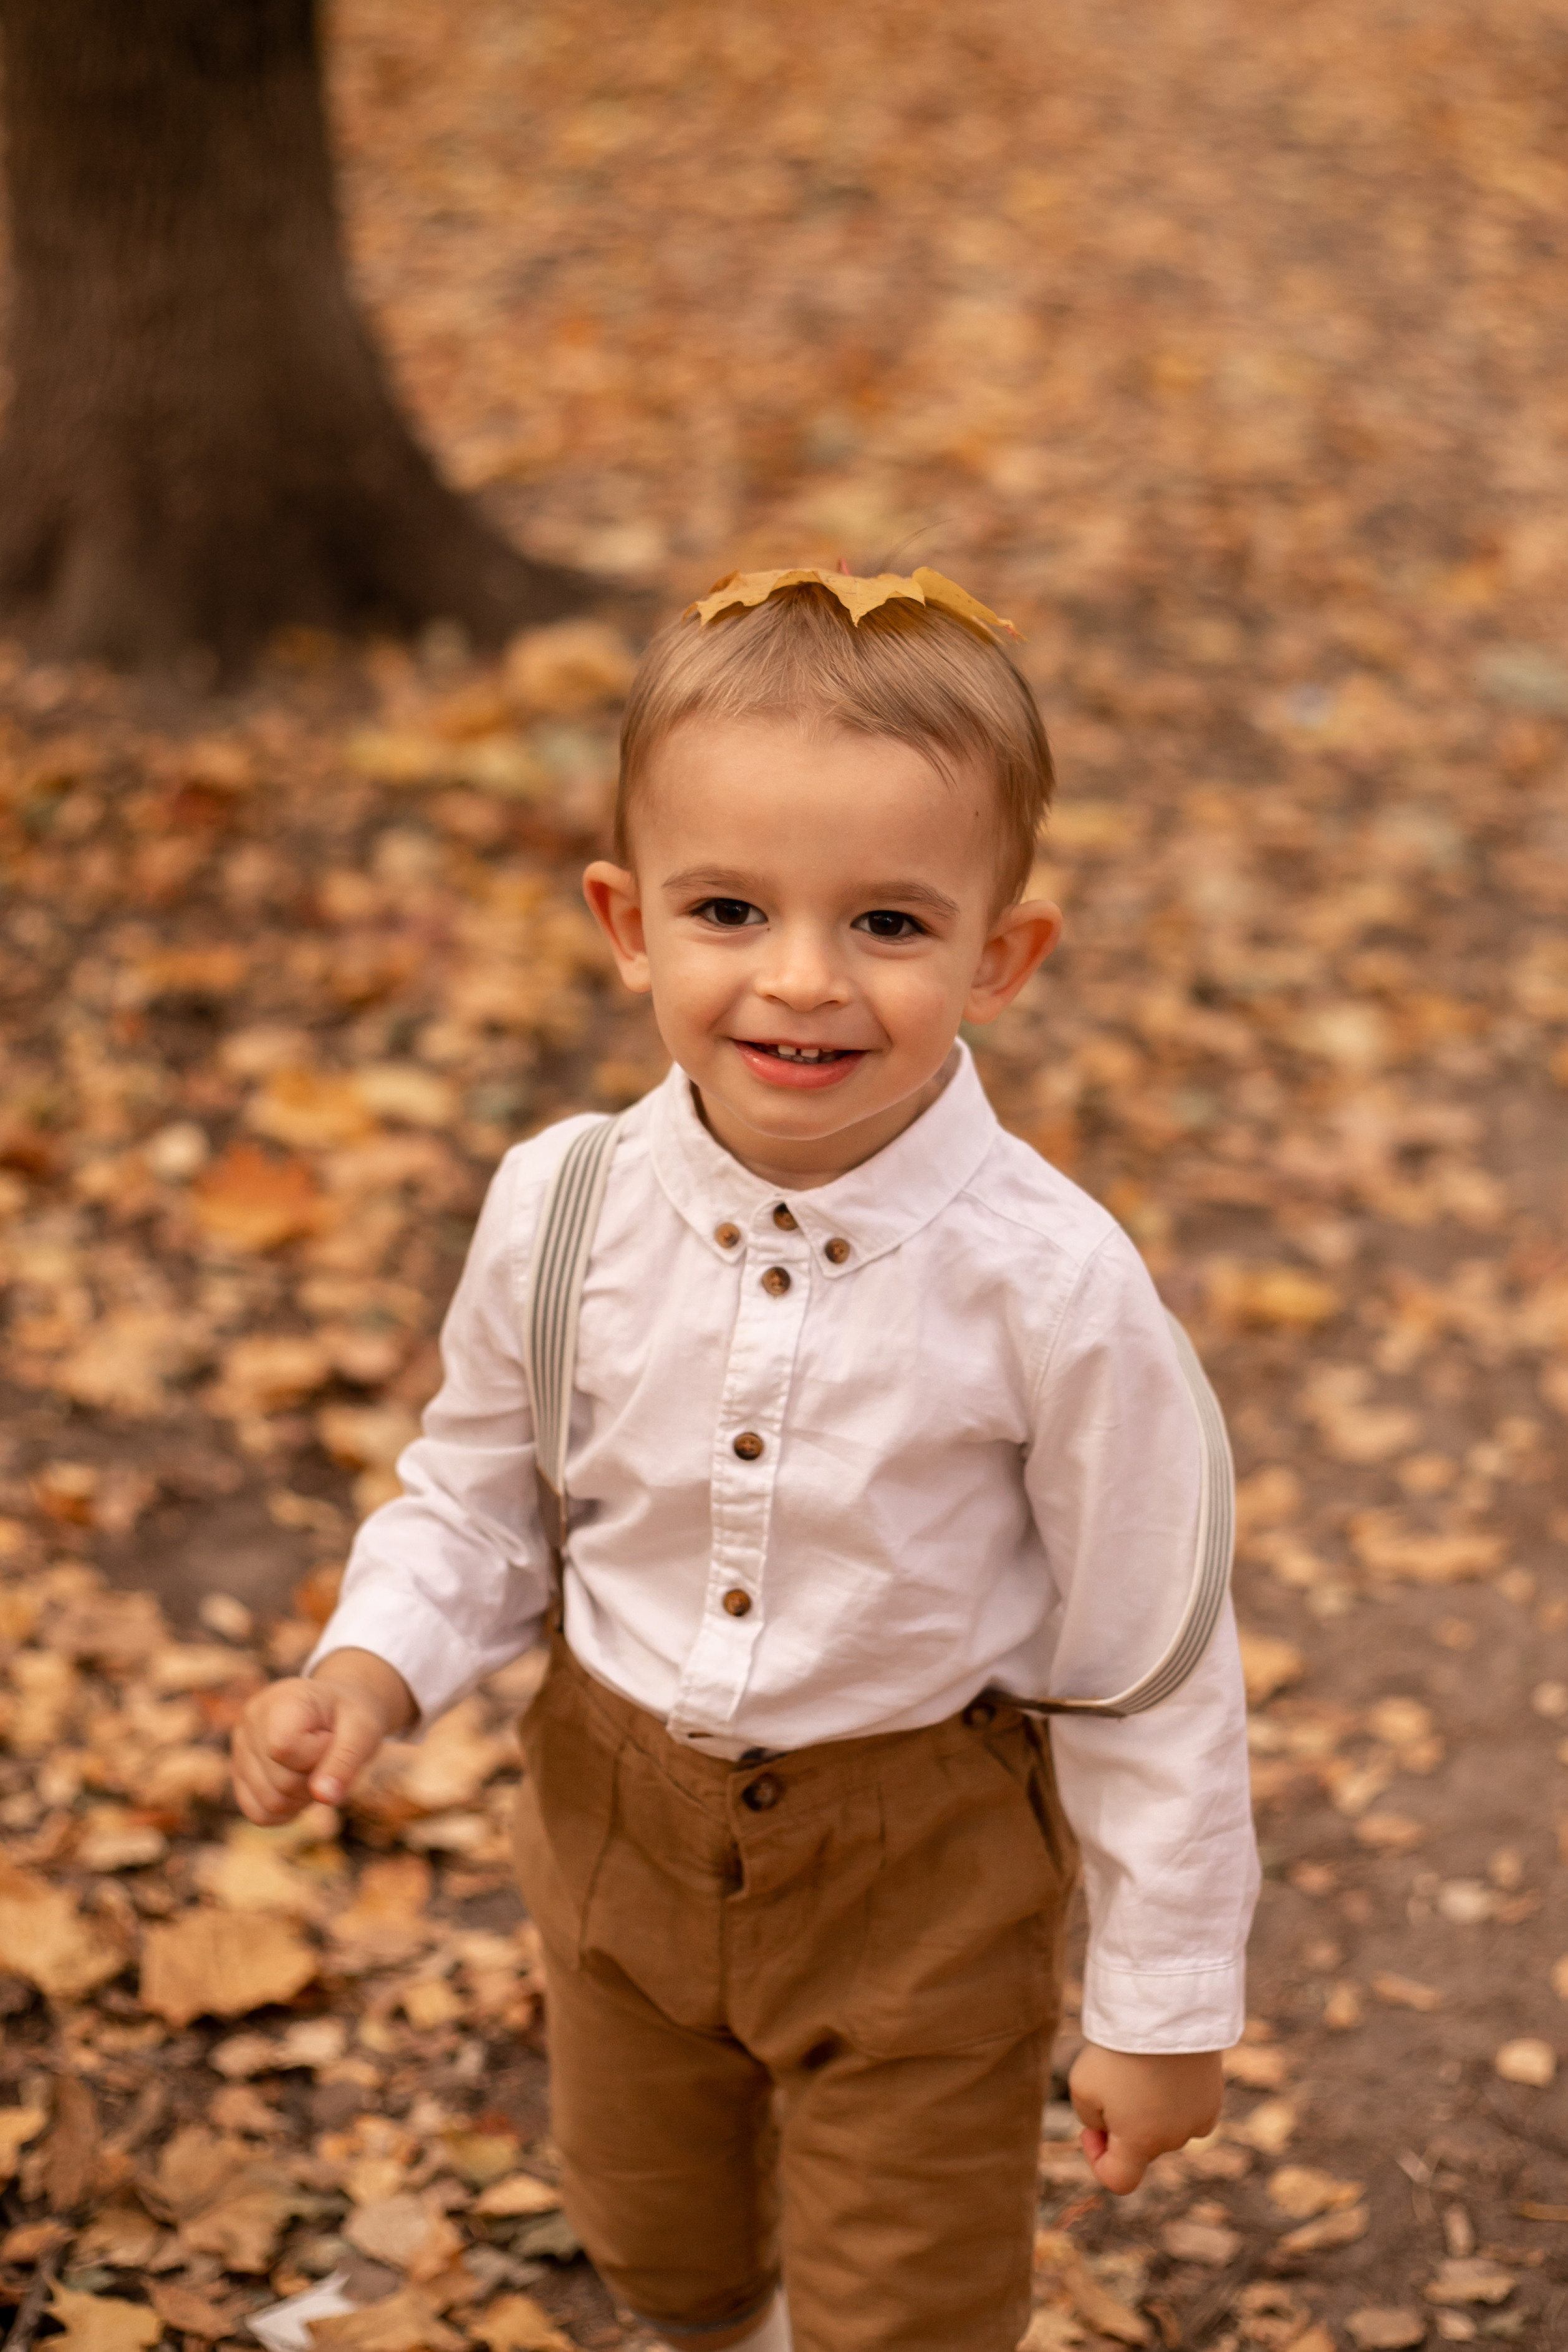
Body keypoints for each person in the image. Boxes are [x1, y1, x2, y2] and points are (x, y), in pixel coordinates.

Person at [232, 566, 1259, 2352]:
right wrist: (373, 1659)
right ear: (627, 921)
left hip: (919, 1870)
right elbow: (481, 1487)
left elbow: (1146, 1653)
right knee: (667, 2253)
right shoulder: (559, 1207)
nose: (798, 978)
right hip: (614, 1840)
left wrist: (1162, 1999)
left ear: (997, 955)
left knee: (910, 2306)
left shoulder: (1052, 1283)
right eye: (727, 907)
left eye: (884, 921)